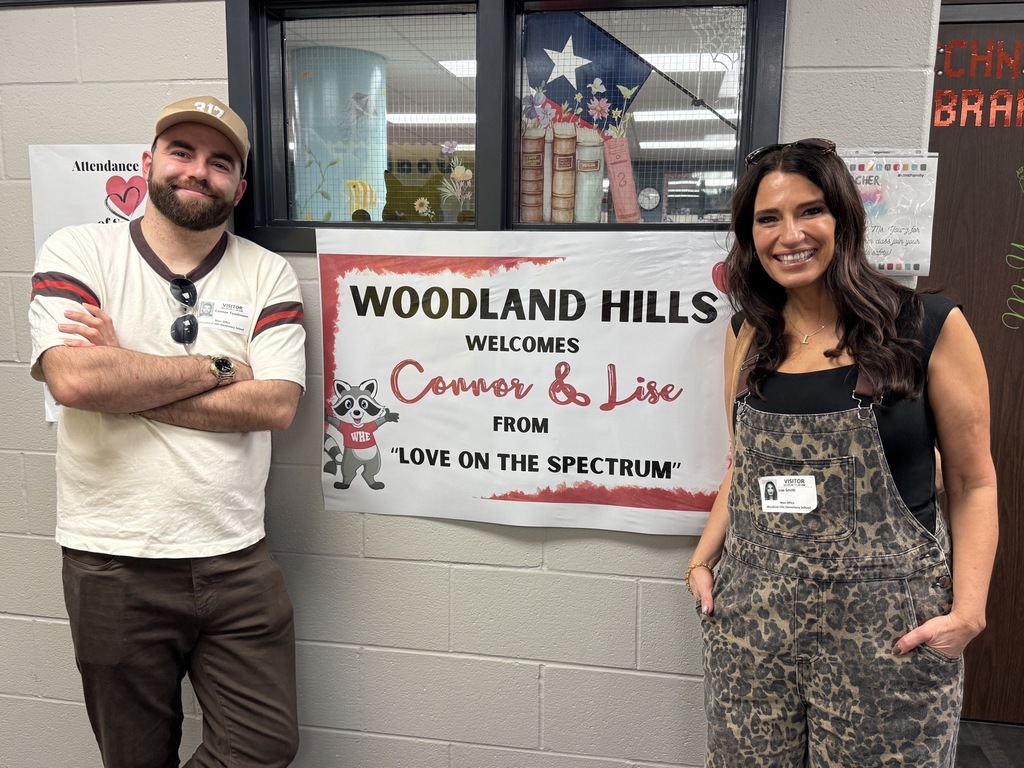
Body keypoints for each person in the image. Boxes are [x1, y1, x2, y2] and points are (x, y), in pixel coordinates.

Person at [687, 138, 998, 767]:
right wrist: (701, 558)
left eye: (811, 211)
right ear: (750, 236)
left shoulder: (926, 326)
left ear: (844, 218)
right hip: (755, 635)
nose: (790, 235)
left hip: (886, 642)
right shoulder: (748, 334)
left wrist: (969, 610)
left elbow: (973, 483)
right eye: (768, 219)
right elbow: (741, 465)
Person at [28, 96, 306, 768]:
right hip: (112, 561)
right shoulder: (79, 250)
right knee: (134, 757)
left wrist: (126, 376)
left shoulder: (267, 271)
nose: (198, 171)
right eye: (182, 152)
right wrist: (218, 367)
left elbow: (274, 405)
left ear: (238, 188)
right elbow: (75, 382)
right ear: (149, 163)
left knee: (265, 744)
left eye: (220, 163)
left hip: (236, 558)